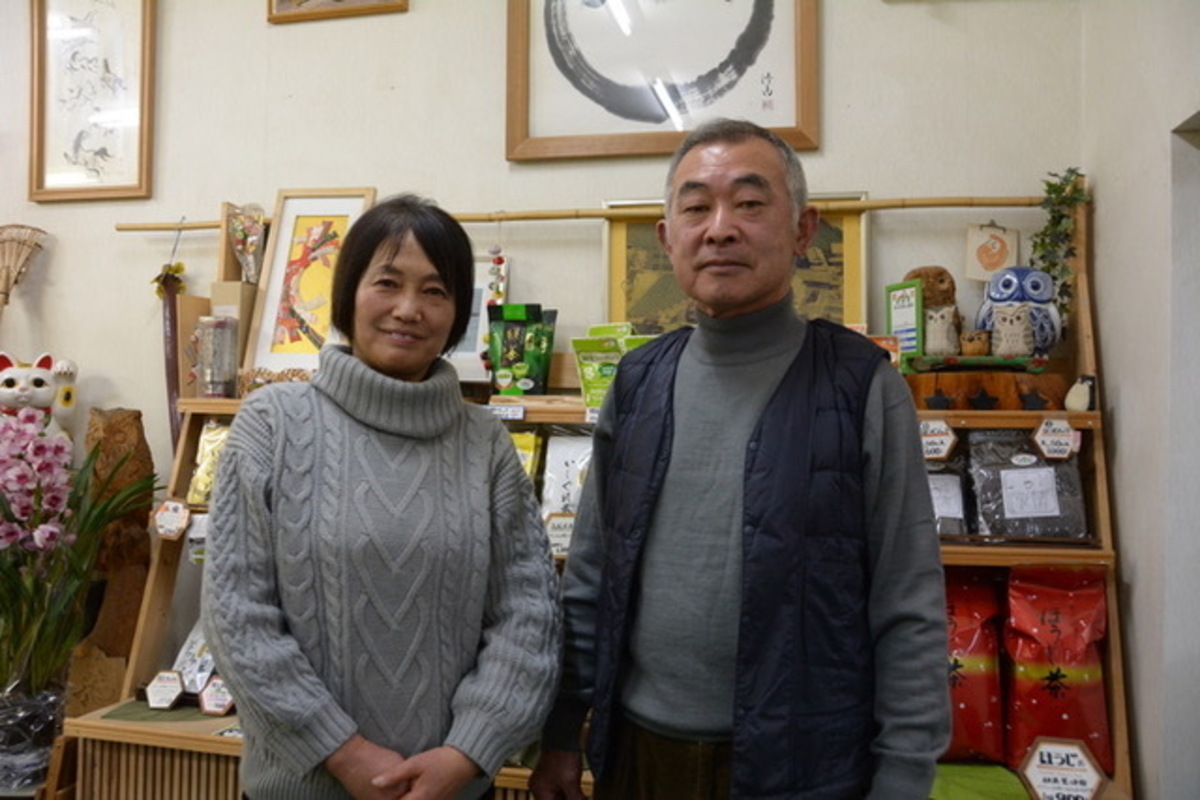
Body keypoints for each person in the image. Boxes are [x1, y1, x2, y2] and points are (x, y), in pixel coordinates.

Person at [528, 119, 950, 800]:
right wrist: (558, 735)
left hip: (804, 766)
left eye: (750, 204)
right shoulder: (637, 383)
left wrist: (904, 778)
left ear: (803, 230)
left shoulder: (861, 385)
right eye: (696, 207)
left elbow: (908, 605)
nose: (719, 227)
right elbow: (592, 576)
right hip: (638, 757)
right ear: (668, 239)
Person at [202, 194, 562, 800]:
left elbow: (526, 618)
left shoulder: (485, 443)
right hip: (302, 788)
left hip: (450, 789)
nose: (408, 309)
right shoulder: (273, 424)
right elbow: (237, 614)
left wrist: (465, 753)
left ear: (458, 314)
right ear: (347, 294)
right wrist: (342, 752)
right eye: (387, 283)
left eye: (435, 292)